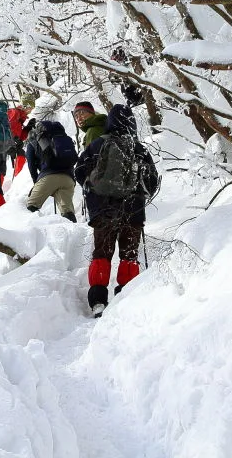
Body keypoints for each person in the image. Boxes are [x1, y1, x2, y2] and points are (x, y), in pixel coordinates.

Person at [74, 104, 159, 316]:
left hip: (103, 211)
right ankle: (125, 300)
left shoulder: (98, 144)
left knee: (102, 253)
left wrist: (92, 187)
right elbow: (153, 182)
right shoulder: (139, 149)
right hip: (133, 211)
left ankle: (98, 302)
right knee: (129, 255)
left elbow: (79, 171)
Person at [24, 119, 78, 222]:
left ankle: (31, 233)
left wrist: (36, 181)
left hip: (48, 177)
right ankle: (73, 232)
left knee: (30, 206)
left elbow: (31, 164)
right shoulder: (63, 138)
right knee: (67, 211)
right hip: (68, 179)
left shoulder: (35, 140)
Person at [7, 94, 35, 178]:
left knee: (21, 155)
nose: (31, 110)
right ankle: (18, 178)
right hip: (6, 142)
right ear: (25, 106)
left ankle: (17, 178)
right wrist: (13, 139)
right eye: (30, 107)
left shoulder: (21, 116)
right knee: (21, 155)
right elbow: (8, 126)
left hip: (12, 142)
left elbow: (20, 137)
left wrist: (27, 128)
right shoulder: (15, 112)